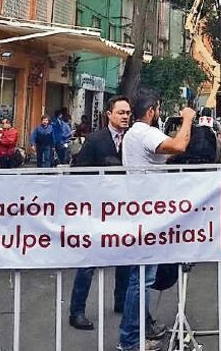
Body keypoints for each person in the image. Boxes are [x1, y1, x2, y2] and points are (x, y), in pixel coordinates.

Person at [118, 89, 196, 351]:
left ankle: (140, 328)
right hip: (147, 213)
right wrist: (187, 119)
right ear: (151, 110)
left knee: (141, 277)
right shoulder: (145, 132)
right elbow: (178, 146)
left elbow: (165, 153)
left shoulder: (135, 134)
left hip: (143, 211)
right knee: (142, 279)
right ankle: (130, 339)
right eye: (158, 109)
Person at [69, 95, 133, 330]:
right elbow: (79, 173)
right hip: (98, 210)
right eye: (121, 112)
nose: (125, 116)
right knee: (89, 261)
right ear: (109, 114)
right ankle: (76, 311)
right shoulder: (95, 140)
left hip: (125, 209)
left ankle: (121, 300)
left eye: (128, 113)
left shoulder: (132, 139)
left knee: (125, 257)